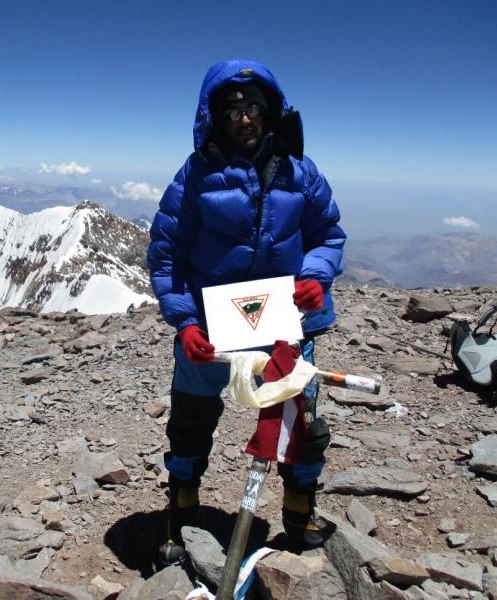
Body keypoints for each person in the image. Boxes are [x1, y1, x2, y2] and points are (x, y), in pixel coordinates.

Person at [146, 59, 346, 565]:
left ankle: (299, 512)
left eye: (253, 106)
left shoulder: (303, 172)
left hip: (286, 322)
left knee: (298, 421)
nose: (244, 117)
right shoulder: (194, 176)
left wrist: (314, 279)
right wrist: (185, 321)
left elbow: (328, 237)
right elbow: (166, 252)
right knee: (190, 420)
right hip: (212, 327)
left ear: (271, 112)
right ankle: (181, 509)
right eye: (231, 108)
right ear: (214, 115)